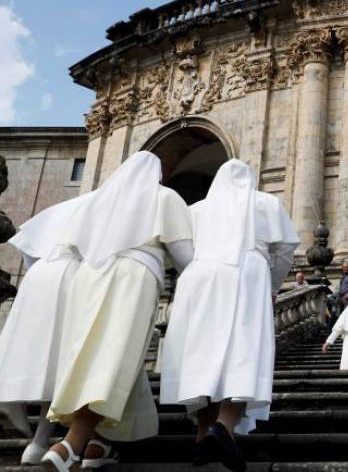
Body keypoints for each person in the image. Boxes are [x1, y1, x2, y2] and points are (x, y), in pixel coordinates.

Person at [43, 151, 194, 471]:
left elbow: (70, 246)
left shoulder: (96, 203)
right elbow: (185, 255)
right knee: (112, 359)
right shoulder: (163, 196)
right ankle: (69, 445)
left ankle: (101, 445)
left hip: (87, 278)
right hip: (133, 278)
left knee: (102, 356)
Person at [160, 159, 299, 470]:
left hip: (201, 278)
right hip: (248, 274)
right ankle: (223, 426)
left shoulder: (196, 210)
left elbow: (179, 249)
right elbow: (285, 250)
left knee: (202, 356)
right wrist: (273, 285)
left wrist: (197, 270)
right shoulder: (266, 203)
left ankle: (202, 438)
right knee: (243, 351)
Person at [0, 192, 91, 465]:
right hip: (71, 276)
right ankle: (39, 440)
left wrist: (37, 270)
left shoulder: (60, 209)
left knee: (25, 348)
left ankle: (10, 405)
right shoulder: (100, 209)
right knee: (57, 362)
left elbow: (27, 244)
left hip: (37, 276)